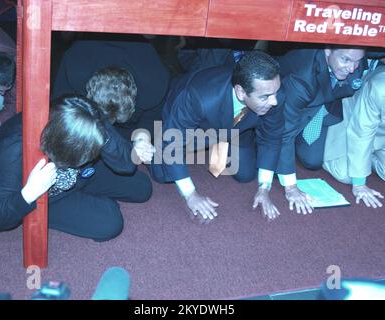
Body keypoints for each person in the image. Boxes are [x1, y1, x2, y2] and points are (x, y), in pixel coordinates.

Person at [0, 95, 152, 241]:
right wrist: (29, 193)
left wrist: (113, 140)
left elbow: (127, 164)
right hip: (46, 191)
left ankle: (83, 193)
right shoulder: (17, 146)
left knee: (142, 187)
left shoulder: (88, 116)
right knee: (111, 222)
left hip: (83, 172)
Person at [151, 50, 284, 221]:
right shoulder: (199, 96)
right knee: (163, 174)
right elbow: (173, 143)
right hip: (198, 125)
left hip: (239, 127)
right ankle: (153, 141)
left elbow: (271, 138)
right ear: (241, 92)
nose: (275, 101)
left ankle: (223, 144)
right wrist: (190, 195)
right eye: (266, 97)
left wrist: (264, 188)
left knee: (245, 175)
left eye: (275, 93)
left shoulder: (272, 91)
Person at [274, 46, 366, 215]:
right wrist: (291, 187)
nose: (352, 68)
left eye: (357, 61)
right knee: (277, 150)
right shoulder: (302, 77)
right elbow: (284, 132)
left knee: (313, 162)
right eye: (346, 60)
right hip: (287, 107)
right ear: (327, 51)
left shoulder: (353, 59)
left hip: (321, 108)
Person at [52, 36, 170, 140]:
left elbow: (154, 116)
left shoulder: (154, 80)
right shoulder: (76, 63)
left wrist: (142, 136)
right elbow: (61, 105)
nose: (110, 125)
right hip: (85, 121)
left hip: (128, 131)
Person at [323, 57, 385, 208]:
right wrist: (359, 185)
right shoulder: (380, 88)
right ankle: (360, 156)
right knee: (345, 175)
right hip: (355, 117)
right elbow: (361, 132)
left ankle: (366, 157)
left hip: (381, 135)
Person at [85, 66, 155, 163]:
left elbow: (152, 114)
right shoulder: (73, 74)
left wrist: (142, 138)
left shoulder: (154, 85)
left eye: (114, 119)